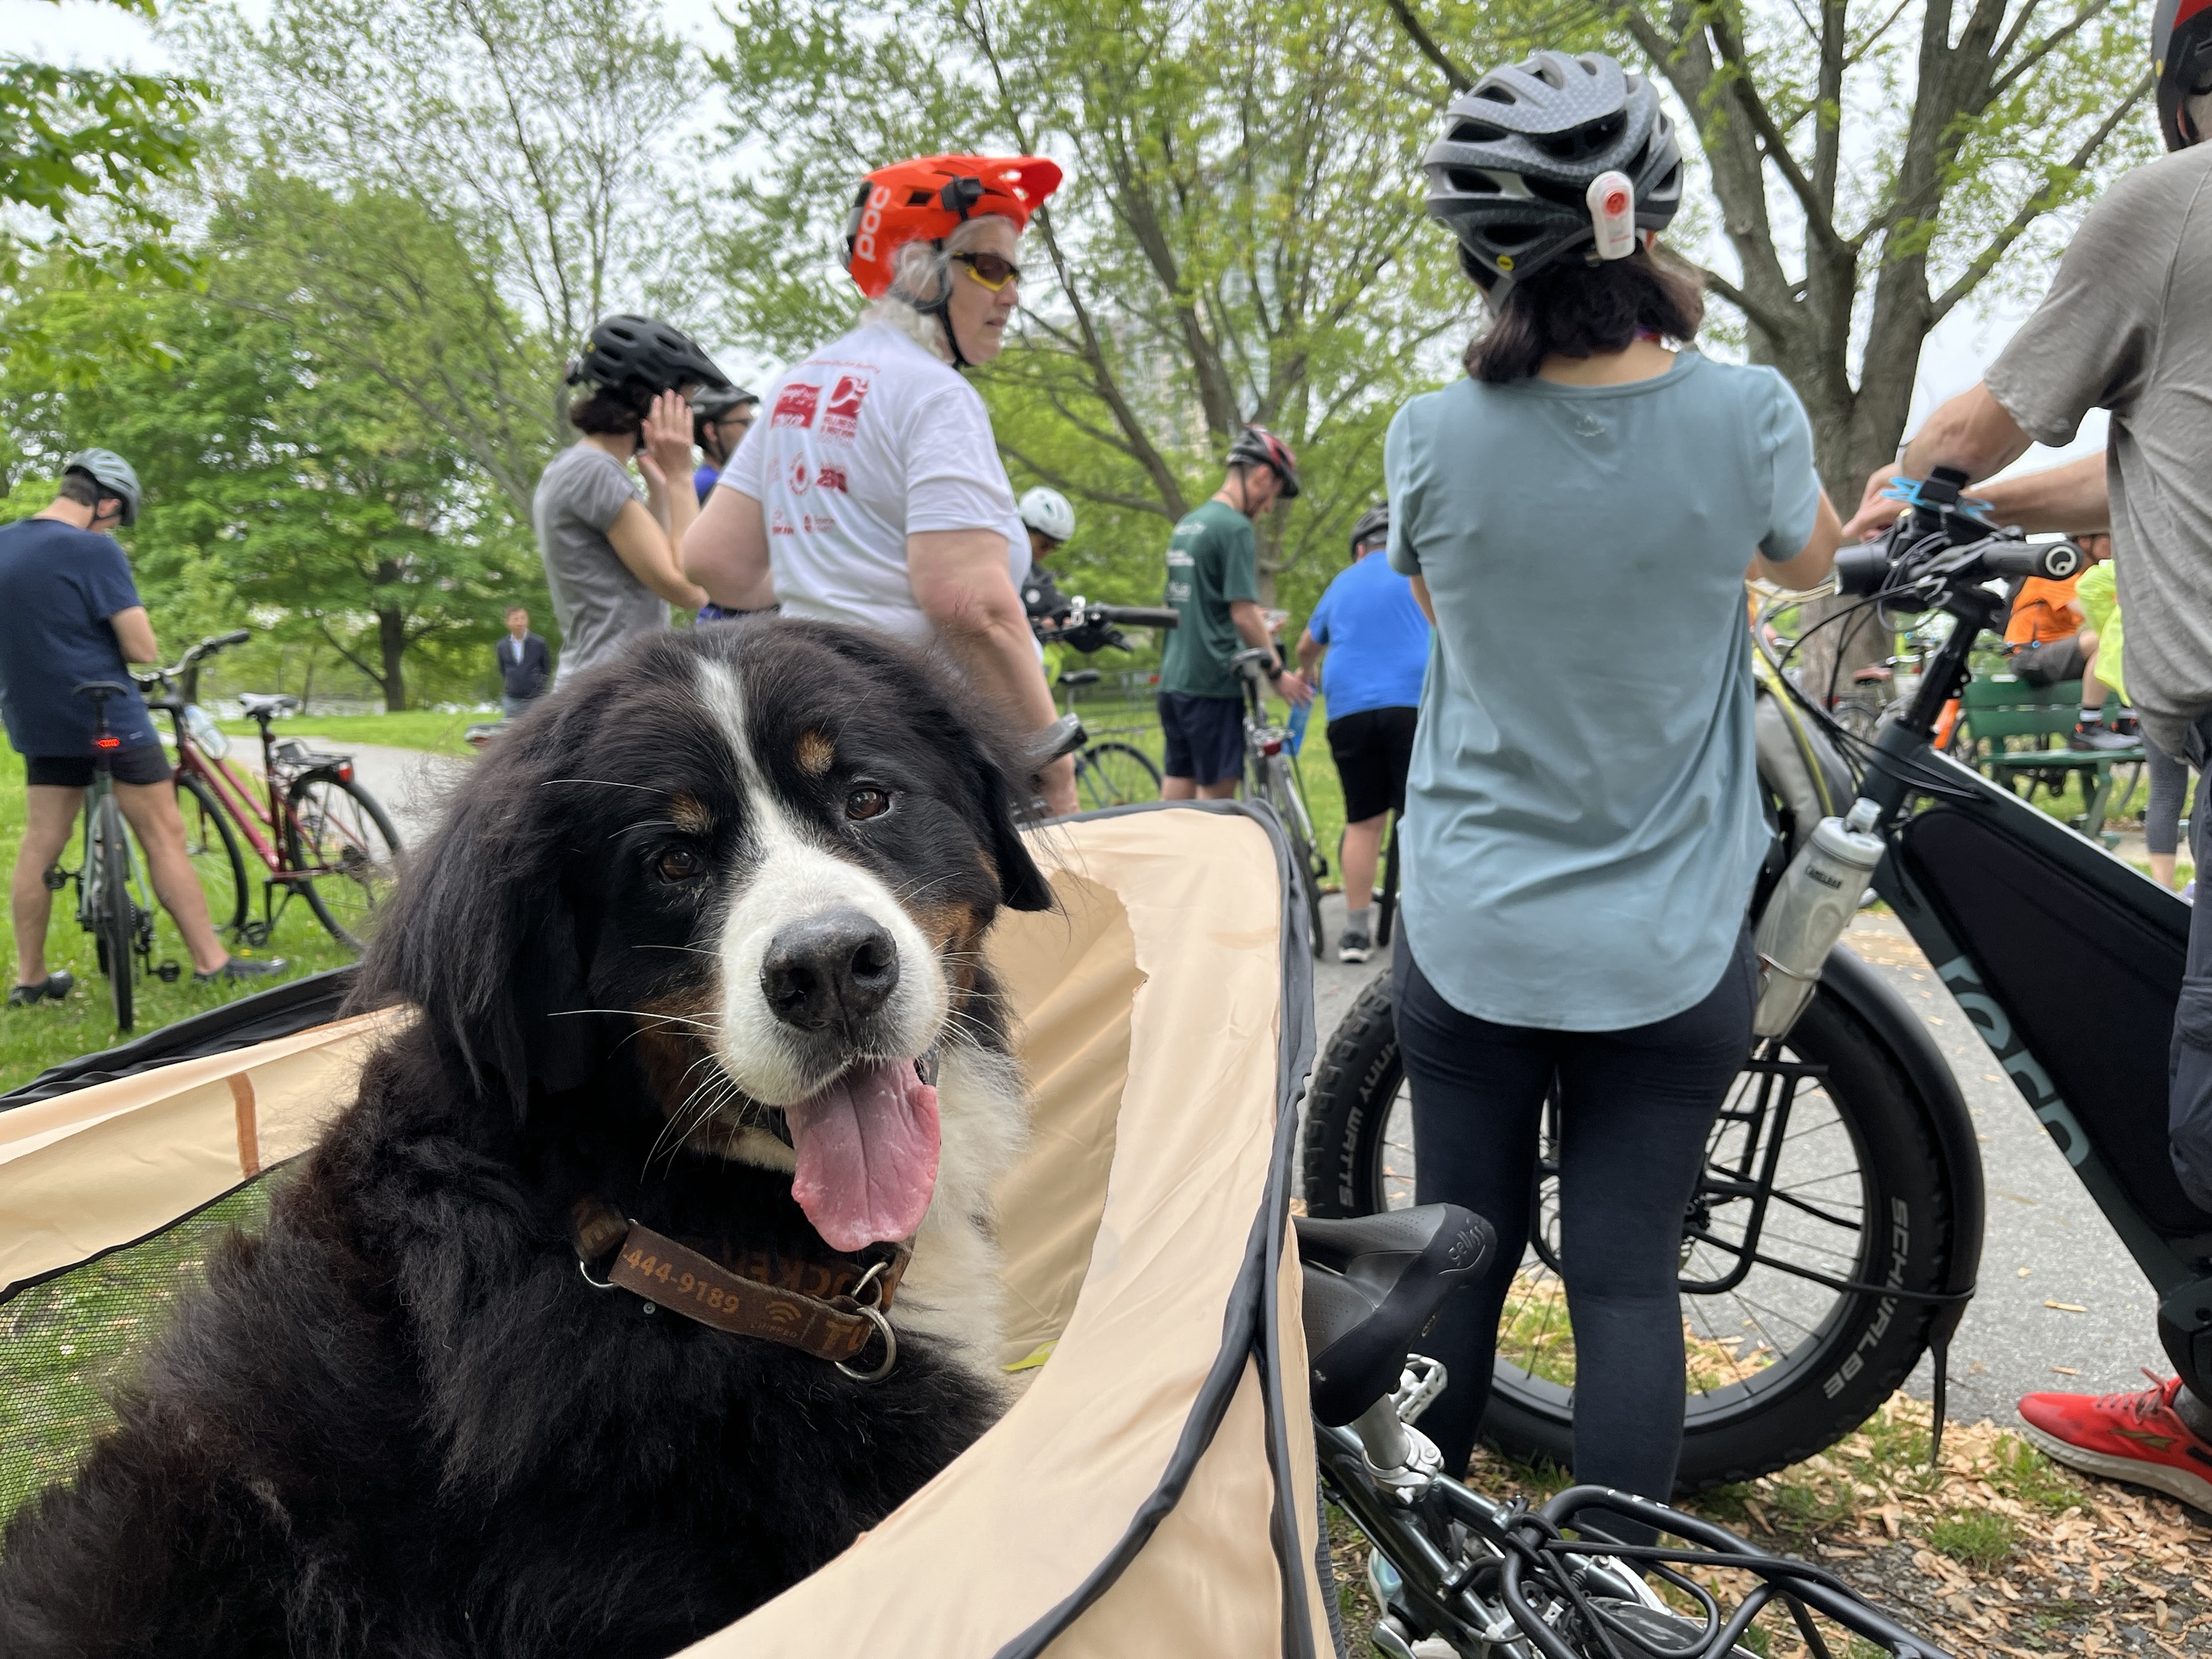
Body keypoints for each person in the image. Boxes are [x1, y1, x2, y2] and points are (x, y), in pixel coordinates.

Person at [1390, 50, 1841, 1534]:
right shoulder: (1753, 414)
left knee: (1457, 1250)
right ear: (1643, 223)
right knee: (1626, 1274)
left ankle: (1425, 1575)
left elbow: (1454, 620)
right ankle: (1618, 1576)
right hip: (1671, 938)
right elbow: (1805, 561)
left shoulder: (1431, 438)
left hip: (1474, 931)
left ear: (1478, 254)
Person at [1840, 0, 2212, 1512]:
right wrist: (1981, 510)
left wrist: (1901, 490)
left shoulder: (2172, 207)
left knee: (2209, 1102)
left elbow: (1992, 421)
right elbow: (2139, 462)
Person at [682, 155, 1078, 815]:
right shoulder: (934, 394)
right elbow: (969, 606)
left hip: (813, 733)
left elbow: (713, 562)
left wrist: (837, 585)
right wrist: (1050, 763)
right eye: (990, 266)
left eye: (1014, 271)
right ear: (918, 269)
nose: (1011, 292)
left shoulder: (798, 384)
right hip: (928, 750)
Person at [0, 451, 286, 1002]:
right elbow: (140, 647)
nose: (113, 526)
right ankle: (211, 960)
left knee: (40, 845)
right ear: (105, 502)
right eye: (116, 516)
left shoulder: (4, 544)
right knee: (163, 835)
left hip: (39, 721)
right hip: (108, 715)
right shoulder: (93, 548)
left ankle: (30, 979)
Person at [535, 315, 725, 684]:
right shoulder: (594, 472)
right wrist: (680, 477)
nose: (687, 419)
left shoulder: (577, 466)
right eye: (681, 406)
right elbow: (689, 586)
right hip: (611, 687)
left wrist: (659, 490)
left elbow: (655, 563)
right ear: (649, 400)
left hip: (600, 681)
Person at [1294, 503, 1429, 963]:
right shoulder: (1420, 574)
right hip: (1411, 704)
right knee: (1420, 817)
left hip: (1349, 709)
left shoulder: (1342, 582)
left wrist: (1306, 671)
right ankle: (1425, 929)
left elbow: (1307, 644)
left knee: (1363, 820)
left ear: (1358, 550)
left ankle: (1354, 934)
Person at [1156, 427, 1314, 801]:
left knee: (1176, 793)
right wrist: (1277, 673)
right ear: (1262, 475)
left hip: (1174, 682)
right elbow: (1243, 615)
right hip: (1212, 683)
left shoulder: (1188, 525)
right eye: (1273, 494)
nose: (1269, 507)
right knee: (1217, 802)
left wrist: (1253, 617)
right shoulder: (1235, 528)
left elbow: (1190, 603)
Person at [2075, 539, 2191, 892]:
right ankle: (2201, 887)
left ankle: (2164, 888)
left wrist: (2109, 623)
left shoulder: (2142, 557)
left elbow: (2089, 585)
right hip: (2193, 676)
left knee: (2167, 788)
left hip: (2147, 681)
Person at [2001, 539, 2132, 750]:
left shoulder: (2088, 577)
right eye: (2107, 536)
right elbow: (2091, 610)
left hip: (2058, 657)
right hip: (2029, 656)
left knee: (2126, 638)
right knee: (2107, 638)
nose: (2114, 542)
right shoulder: (2057, 571)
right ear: (2085, 540)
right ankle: (2088, 726)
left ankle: (2129, 720)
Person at [692, 384, 759, 504]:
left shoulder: (716, 478)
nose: (753, 431)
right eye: (746, 423)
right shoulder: (712, 486)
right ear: (711, 431)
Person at [494, 604, 551, 718]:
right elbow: (503, 669)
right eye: (515, 619)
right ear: (507, 622)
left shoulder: (539, 643)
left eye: (523, 618)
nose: (519, 623)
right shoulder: (502, 645)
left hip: (536, 698)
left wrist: (537, 683)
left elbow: (547, 668)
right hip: (512, 698)